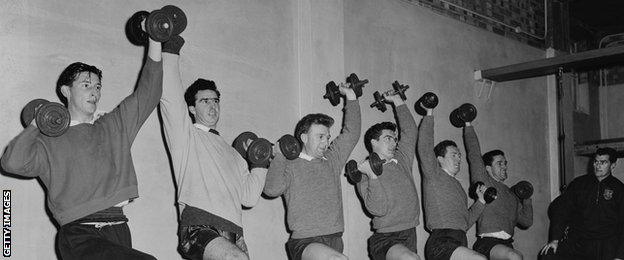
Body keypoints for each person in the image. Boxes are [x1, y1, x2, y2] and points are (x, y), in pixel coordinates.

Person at [1, 37, 163, 259]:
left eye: (97, 87)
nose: (94, 92)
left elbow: (148, 93)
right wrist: (36, 125)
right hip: (79, 233)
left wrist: (155, 39)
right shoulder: (48, 140)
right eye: (86, 85)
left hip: (118, 228)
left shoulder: (113, 126)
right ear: (66, 91)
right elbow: (12, 163)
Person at [159, 36, 267, 260]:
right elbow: (169, 97)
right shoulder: (186, 136)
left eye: (215, 100)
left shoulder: (234, 155)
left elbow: (249, 198)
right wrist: (170, 51)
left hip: (234, 231)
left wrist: (260, 162)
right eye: (205, 101)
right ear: (191, 108)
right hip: (199, 224)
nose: (212, 105)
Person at [263, 84, 361, 260]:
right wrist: (279, 156)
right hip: (305, 241)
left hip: (335, 238)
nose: (326, 142)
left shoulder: (332, 160)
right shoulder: (290, 164)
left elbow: (351, 133)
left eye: (328, 137)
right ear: (304, 137)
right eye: (320, 137)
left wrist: (351, 96)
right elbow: (271, 189)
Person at [416, 105, 487, 260]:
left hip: (461, 239)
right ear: (440, 159)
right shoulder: (433, 174)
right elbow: (424, 147)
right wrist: (429, 113)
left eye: (459, 155)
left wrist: (480, 202)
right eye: (454, 155)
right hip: (441, 241)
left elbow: (465, 222)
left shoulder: (459, 187)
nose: (459, 159)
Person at [355, 93, 421, 260]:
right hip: (386, 237)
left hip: (410, 231)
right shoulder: (363, 172)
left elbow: (411, 132)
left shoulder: (401, 160)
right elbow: (377, 209)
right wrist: (372, 176)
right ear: (373, 142)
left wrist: (398, 101)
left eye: (395, 139)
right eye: (388, 139)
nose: (394, 143)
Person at [462, 122, 533, 260]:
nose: (504, 166)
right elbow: (474, 155)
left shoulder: (512, 195)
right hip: (487, 243)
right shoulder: (485, 182)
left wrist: (527, 197)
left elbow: (526, 221)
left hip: (507, 244)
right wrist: (468, 124)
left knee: (516, 255)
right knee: (515, 257)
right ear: (488, 168)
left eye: (505, 163)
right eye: (499, 163)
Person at [540, 147, 624, 260]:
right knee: (548, 255)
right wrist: (555, 239)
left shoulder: (619, 189)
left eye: (603, 162)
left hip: (606, 243)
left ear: (613, 165)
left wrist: (619, 255)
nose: (598, 166)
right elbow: (561, 210)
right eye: (596, 161)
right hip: (579, 240)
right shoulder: (579, 184)